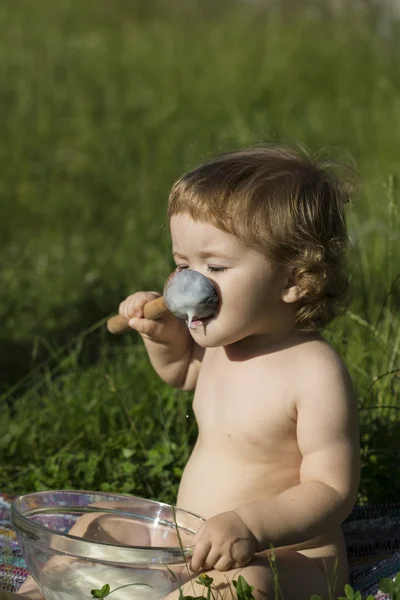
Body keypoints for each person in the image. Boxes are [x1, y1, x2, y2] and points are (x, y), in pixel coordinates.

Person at [15, 145, 360, 600]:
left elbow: (332, 488)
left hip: (283, 556)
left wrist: (251, 526)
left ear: (293, 280)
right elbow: (182, 373)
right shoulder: (224, 340)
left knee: (242, 585)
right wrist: (160, 336)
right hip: (192, 539)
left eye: (214, 266)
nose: (186, 285)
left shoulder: (313, 371)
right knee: (92, 528)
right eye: (182, 265)